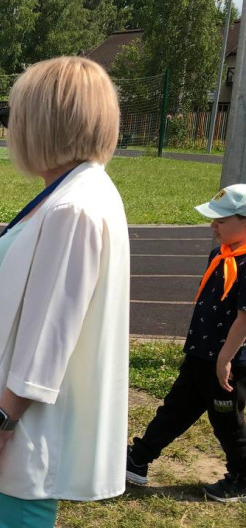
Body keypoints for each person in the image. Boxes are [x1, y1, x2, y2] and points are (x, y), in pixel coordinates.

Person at [0, 56, 129, 527]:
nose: (10, 130)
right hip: (22, 414)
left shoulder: (75, 208)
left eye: (13, 116)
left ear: (44, 123)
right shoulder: (72, 193)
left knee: (17, 517)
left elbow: (49, 338)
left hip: (26, 422)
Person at [126, 184, 246, 502]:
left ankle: (242, 477)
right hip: (200, 356)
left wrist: (225, 360)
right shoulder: (219, 256)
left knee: (227, 424)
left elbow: (244, 319)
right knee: (174, 411)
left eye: (221, 220)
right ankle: (139, 458)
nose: (213, 225)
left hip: (229, 363)